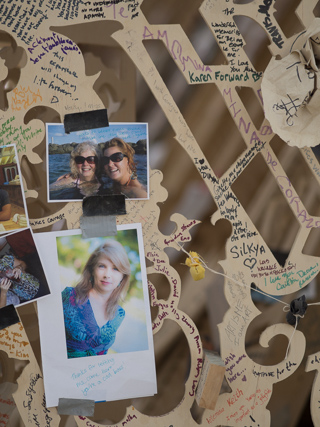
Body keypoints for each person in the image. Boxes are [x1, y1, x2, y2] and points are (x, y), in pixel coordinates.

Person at [62, 240, 131, 358]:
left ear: (122, 277)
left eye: (115, 269)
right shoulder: (69, 295)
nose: (107, 275)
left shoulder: (119, 314)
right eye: (102, 266)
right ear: (92, 270)